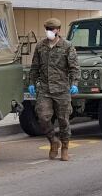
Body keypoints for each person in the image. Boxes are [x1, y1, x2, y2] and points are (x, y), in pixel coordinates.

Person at [27, 18, 80, 161]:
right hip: (45, 89)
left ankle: (65, 147)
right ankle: (53, 141)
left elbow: (74, 68)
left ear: (58, 30)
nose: (49, 32)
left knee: (64, 120)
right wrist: (31, 83)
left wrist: (74, 83)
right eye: (47, 29)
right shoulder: (40, 46)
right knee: (43, 117)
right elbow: (34, 67)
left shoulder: (67, 46)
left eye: (51, 29)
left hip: (62, 89)